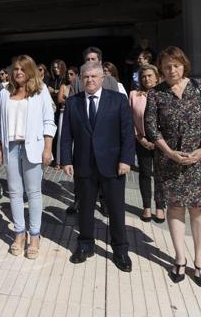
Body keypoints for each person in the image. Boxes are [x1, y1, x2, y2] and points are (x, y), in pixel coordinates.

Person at [144, 46, 201, 286]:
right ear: (161, 69)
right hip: (170, 161)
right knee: (175, 208)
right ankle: (179, 258)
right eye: (166, 66)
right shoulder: (156, 94)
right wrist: (169, 152)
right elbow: (152, 128)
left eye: (175, 65)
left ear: (183, 65)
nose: (171, 70)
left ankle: (200, 262)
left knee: (199, 210)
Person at [60, 61, 135, 272]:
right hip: (83, 165)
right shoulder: (73, 102)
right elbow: (66, 135)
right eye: (86, 77)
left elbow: (127, 133)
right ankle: (85, 245)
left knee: (116, 209)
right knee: (84, 208)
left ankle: (120, 249)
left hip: (113, 165)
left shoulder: (118, 100)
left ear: (103, 79)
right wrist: (66, 159)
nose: (90, 80)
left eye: (94, 76)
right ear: (80, 80)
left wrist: (126, 160)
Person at [0, 55, 56, 259]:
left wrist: (48, 148)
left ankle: (35, 235)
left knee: (34, 192)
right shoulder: (4, 92)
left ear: (30, 70)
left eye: (23, 68)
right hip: (10, 147)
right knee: (14, 192)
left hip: (33, 147)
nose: (18, 72)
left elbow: (49, 120)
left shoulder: (40, 91)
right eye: (16, 69)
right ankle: (20, 233)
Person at [66, 47, 119, 215]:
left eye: (93, 59)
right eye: (87, 59)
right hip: (83, 135)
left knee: (104, 171)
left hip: (103, 135)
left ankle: (104, 202)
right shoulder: (77, 81)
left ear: (100, 62)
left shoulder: (109, 81)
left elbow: (114, 109)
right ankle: (78, 200)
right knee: (81, 173)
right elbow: (71, 108)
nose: (90, 62)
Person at [129, 64, 164, 223]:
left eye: (150, 75)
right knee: (144, 174)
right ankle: (146, 207)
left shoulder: (165, 94)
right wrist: (139, 138)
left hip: (163, 142)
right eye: (143, 76)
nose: (146, 79)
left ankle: (160, 207)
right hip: (142, 140)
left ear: (157, 77)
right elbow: (129, 119)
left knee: (160, 175)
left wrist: (161, 141)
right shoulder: (134, 95)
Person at [56, 66, 78, 166]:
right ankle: (60, 161)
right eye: (68, 74)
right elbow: (60, 100)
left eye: (71, 74)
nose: (69, 76)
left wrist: (68, 100)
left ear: (76, 75)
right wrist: (71, 101)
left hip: (76, 113)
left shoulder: (80, 86)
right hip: (63, 112)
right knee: (62, 135)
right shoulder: (64, 86)